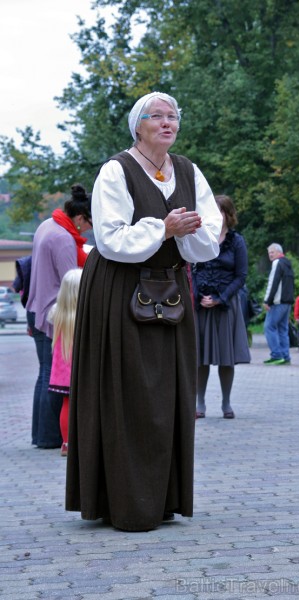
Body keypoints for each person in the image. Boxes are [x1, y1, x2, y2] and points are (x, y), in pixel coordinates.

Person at [65, 91, 222, 531]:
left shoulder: (188, 171)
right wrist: (163, 228)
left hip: (170, 288)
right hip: (120, 289)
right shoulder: (116, 169)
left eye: (174, 115)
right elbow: (111, 237)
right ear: (139, 125)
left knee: (168, 394)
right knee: (127, 392)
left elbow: (210, 232)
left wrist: (184, 235)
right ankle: (123, 502)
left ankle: (164, 498)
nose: (168, 122)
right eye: (158, 116)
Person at [26, 185, 92, 449]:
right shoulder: (64, 238)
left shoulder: (47, 225)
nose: (87, 229)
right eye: (88, 222)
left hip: (36, 309)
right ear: (79, 218)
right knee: (54, 378)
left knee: (44, 373)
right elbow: (71, 282)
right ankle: (51, 437)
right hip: (55, 314)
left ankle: (40, 435)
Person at [191, 195, 250, 420]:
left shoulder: (237, 241)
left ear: (227, 214)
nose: (216, 215)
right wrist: (199, 296)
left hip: (226, 305)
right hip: (202, 304)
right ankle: (200, 404)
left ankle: (226, 403)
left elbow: (241, 276)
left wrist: (220, 298)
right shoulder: (201, 237)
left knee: (226, 358)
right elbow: (193, 269)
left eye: (219, 211)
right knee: (200, 358)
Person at [48, 269, 82, 457]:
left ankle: (66, 443)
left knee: (67, 404)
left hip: (62, 371)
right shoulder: (86, 315)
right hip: (81, 370)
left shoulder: (57, 313)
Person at [263, 243, 294, 365]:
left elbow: (273, 283)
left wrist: (267, 301)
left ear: (278, 252)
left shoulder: (277, 263)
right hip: (287, 303)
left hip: (278, 302)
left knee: (269, 327)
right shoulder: (288, 263)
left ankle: (276, 355)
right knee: (282, 329)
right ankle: (285, 357)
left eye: (272, 252)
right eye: (269, 253)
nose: (270, 255)